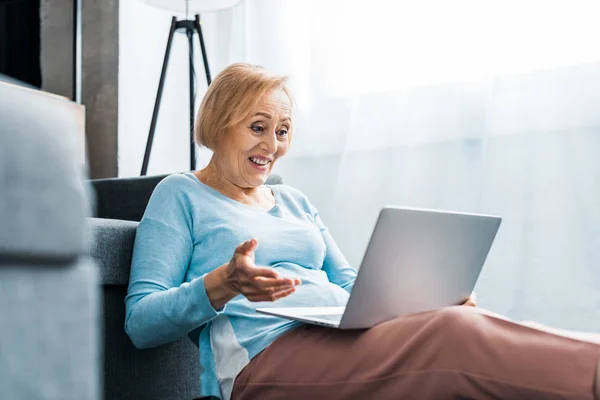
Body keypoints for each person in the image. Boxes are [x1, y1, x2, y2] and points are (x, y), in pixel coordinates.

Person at [125, 63, 600, 400]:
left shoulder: (293, 200)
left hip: (341, 335)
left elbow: (352, 286)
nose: (272, 145)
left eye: (284, 130)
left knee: (454, 325)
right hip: (267, 359)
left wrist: (422, 300)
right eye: (258, 127)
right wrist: (222, 283)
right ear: (219, 124)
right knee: (452, 335)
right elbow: (141, 323)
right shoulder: (180, 195)